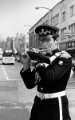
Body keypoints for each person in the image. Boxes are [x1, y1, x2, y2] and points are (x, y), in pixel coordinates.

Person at [20, 24, 72, 120]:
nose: (44, 44)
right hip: (39, 104)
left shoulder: (64, 57)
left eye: (48, 40)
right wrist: (26, 65)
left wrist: (38, 60)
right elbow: (30, 84)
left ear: (56, 41)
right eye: (42, 40)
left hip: (55, 105)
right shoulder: (41, 59)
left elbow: (51, 77)